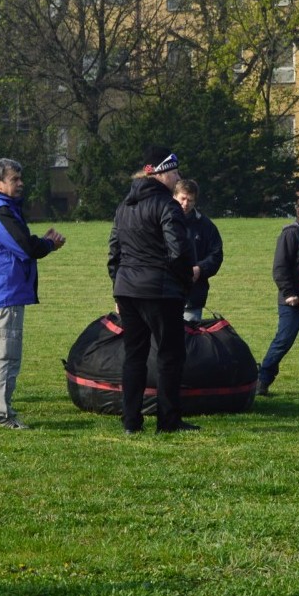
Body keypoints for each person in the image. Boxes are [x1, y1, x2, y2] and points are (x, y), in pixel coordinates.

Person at [108, 147, 200, 434]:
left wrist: (118, 287)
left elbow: (114, 252)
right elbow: (178, 251)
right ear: (161, 173)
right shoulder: (167, 206)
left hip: (127, 289)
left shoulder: (124, 206)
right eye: (174, 172)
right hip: (160, 291)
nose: (177, 177)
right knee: (170, 355)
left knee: (134, 356)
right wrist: (184, 282)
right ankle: (168, 421)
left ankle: (131, 422)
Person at [0, 159, 66, 429]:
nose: (21, 183)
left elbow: (17, 242)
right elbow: (24, 246)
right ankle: (1, 416)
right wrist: (49, 243)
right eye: (15, 179)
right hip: (6, 294)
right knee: (5, 357)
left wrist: (41, 242)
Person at [257, 195, 299, 397]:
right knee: (283, 341)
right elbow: (279, 268)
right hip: (292, 301)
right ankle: (262, 380)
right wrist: (289, 294)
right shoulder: (290, 234)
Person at [172, 179, 223, 321]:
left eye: (190, 200)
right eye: (182, 198)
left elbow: (216, 255)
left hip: (192, 299)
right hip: (164, 296)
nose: (185, 204)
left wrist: (200, 269)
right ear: (174, 196)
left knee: (189, 342)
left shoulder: (206, 226)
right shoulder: (162, 221)